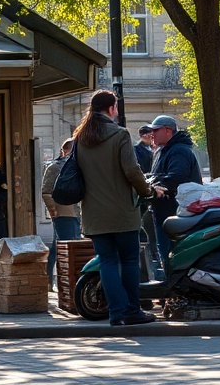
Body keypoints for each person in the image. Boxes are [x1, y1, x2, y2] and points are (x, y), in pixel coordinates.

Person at [73, 89, 163, 326]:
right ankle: (132, 311)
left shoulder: (81, 137)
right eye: (116, 107)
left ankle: (115, 313)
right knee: (130, 260)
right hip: (122, 211)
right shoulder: (120, 134)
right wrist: (148, 191)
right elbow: (132, 170)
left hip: (93, 213)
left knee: (107, 261)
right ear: (111, 108)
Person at [146, 114, 202, 270]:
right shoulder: (166, 150)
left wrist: (151, 182)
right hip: (166, 213)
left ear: (168, 131)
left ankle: (174, 282)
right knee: (167, 254)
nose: (152, 134)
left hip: (174, 214)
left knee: (171, 256)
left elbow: (176, 179)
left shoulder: (178, 151)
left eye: (156, 130)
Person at [41, 137, 82, 289]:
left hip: (74, 212)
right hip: (63, 212)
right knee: (65, 248)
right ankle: (62, 283)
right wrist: (53, 210)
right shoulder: (55, 167)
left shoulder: (78, 166)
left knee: (58, 246)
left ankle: (51, 280)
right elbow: (46, 191)